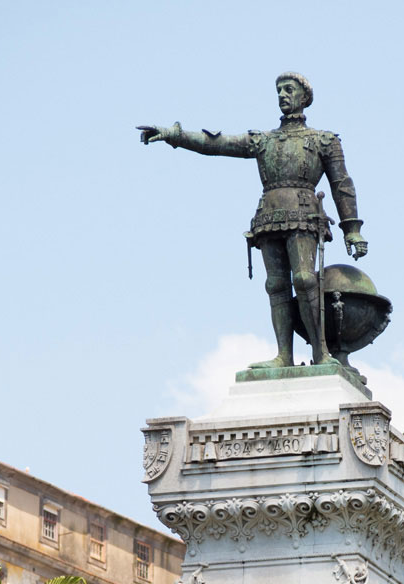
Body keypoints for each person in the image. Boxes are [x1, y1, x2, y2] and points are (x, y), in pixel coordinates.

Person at [138, 72, 367, 369]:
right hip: (269, 215)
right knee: (275, 284)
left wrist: (353, 229)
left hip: (304, 213)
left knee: (304, 278)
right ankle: (284, 355)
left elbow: (342, 184)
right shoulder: (264, 140)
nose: (283, 95)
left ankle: (321, 353)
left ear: (304, 97)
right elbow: (216, 144)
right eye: (279, 90)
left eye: (289, 89)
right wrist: (175, 135)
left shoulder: (323, 140)